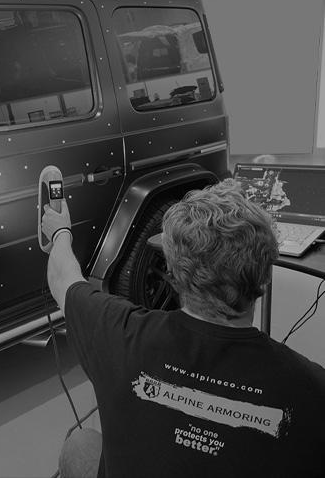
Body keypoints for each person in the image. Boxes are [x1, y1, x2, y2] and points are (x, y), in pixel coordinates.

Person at [41, 179, 325, 478]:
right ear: (266, 277)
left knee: (81, 444)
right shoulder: (312, 390)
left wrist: (60, 232)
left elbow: (63, 277)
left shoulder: (117, 331)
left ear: (174, 274)